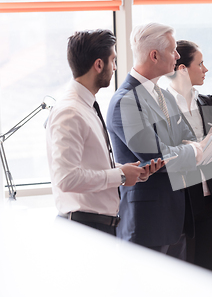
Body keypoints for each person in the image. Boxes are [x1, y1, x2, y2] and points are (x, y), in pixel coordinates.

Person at [106, 23, 212, 260]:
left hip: (177, 219)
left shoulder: (164, 95)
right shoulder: (125, 100)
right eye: (173, 50)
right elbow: (158, 155)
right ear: (154, 55)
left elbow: (185, 139)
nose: (177, 56)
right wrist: (197, 150)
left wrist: (187, 148)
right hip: (147, 222)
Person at [46, 29, 162, 236]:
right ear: (99, 65)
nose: (116, 67)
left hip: (96, 226)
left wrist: (127, 172)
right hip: (83, 229)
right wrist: (119, 175)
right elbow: (66, 178)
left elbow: (90, 165)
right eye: (113, 60)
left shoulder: (85, 106)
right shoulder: (70, 112)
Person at [167, 40, 212, 272]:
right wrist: (206, 144)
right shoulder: (163, 106)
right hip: (183, 203)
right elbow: (173, 156)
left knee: (209, 275)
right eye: (201, 64)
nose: (206, 69)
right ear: (182, 69)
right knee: (184, 276)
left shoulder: (207, 102)